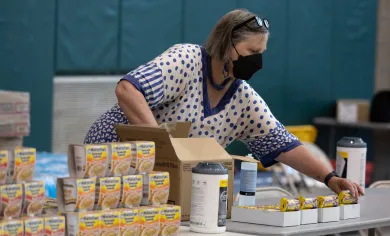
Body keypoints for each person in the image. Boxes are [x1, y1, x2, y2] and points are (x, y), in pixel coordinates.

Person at [85, 9, 363, 198]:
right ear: (226, 43)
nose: (258, 61)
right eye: (252, 51)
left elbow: (284, 145)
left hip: (156, 182)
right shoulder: (186, 61)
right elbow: (128, 90)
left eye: (261, 53)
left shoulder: (243, 100)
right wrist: (164, 150)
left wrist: (329, 178)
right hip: (108, 161)